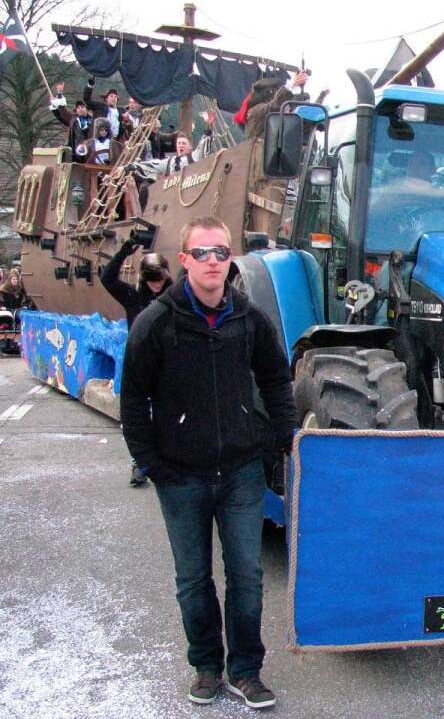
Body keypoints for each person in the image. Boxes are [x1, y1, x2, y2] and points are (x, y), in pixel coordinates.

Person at [120, 216, 297, 707]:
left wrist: (286, 437)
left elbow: (276, 379)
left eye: (221, 252)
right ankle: (205, 666)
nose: (213, 262)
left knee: (247, 576)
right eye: (202, 253)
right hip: (180, 477)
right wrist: (152, 464)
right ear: (184, 260)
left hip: (240, 472)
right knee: (194, 579)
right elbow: (133, 400)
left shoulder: (248, 318)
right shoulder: (155, 323)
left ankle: (246, 671)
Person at [101, 237, 172, 486]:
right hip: (141, 363)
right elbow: (107, 279)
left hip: (170, 363)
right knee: (139, 416)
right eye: (151, 278)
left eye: (159, 278)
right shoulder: (133, 297)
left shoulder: (175, 296)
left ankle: (170, 460)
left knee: (169, 414)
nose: (155, 284)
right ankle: (140, 463)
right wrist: (123, 253)